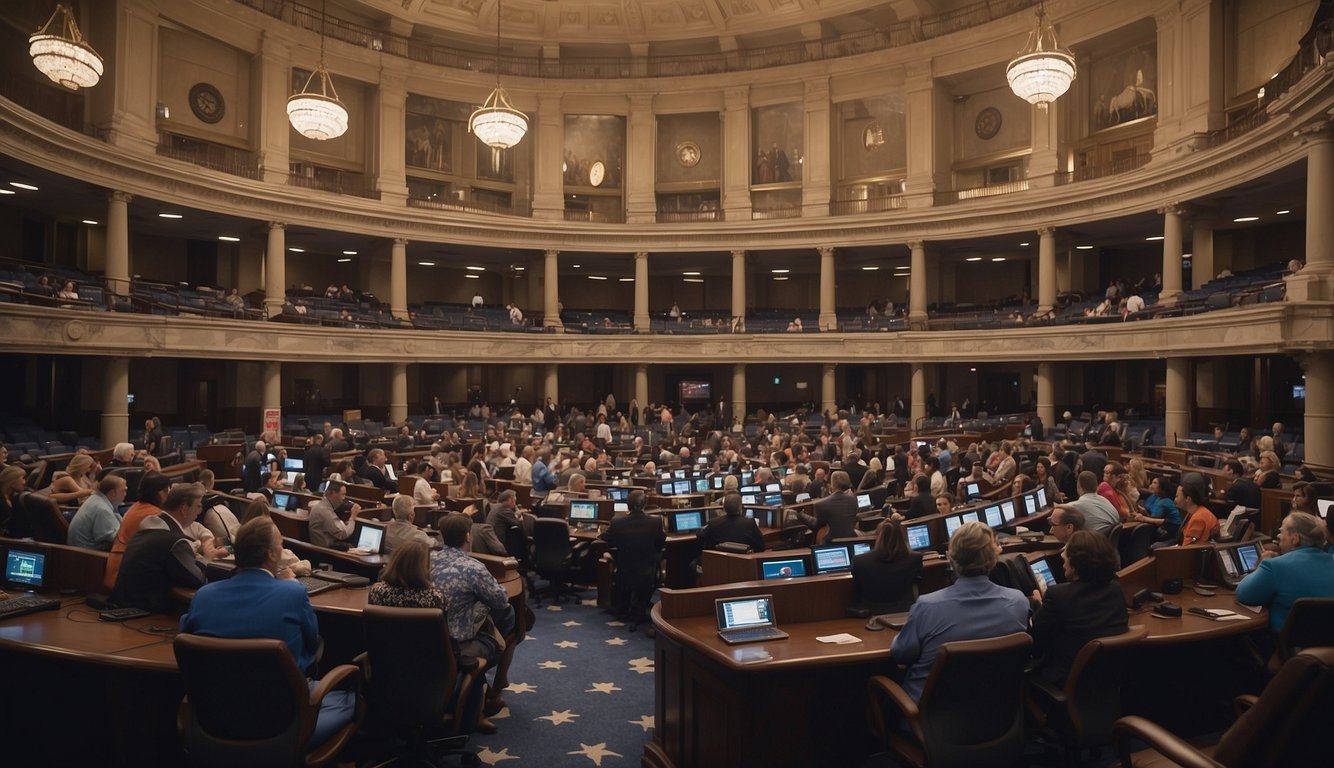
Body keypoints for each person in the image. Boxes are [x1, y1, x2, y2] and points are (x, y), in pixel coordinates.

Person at [179, 516, 357, 747]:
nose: (282, 549)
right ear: (271, 555)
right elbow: (312, 645)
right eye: (280, 545)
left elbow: (185, 643)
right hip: (283, 725)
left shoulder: (203, 596)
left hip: (213, 722)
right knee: (352, 698)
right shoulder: (292, 594)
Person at [889, 522, 1029, 701]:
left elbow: (901, 654)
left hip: (929, 716)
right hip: (997, 714)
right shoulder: (1018, 602)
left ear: (951, 558)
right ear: (994, 558)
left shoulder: (926, 606)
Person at [429, 513, 515, 720]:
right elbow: (501, 600)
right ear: (468, 536)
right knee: (507, 617)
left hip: (423, 640)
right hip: (457, 645)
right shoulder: (473, 568)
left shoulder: (425, 559)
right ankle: (489, 690)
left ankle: (477, 693)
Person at [1029, 531, 1129, 686]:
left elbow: (1037, 640)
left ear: (1076, 565)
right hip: (1109, 677)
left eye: (1065, 560)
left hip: (1066, 678)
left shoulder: (1057, 595)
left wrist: (1038, 606)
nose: (1063, 564)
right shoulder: (1115, 589)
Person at [111, 483, 207, 613]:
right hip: (147, 613)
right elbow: (197, 580)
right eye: (198, 506)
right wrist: (202, 561)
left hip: (123, 604)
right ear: (184, 508)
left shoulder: (147, 527)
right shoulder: (176, 541)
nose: (199, 512)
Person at [1236, 511, 1334, 632]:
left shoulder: (1274, 566)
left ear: (1295, 538)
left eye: (1282, 531)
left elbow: (1244, 594)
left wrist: (1261, 564)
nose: (1278, 536)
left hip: (1285, 645)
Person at [599, 489, 665, 630]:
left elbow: (605, 540)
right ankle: (641, 605)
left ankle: (623, 606)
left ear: (627, 505)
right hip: (647, 572)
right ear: (644, 505)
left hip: (624, 570)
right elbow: (660, 544)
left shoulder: (617, 522)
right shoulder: (656, 522)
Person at [104, 471, 174, 591]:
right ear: (159, 492)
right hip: (126, 575)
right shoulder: (153, 515)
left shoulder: (137, 507)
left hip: (119, 568)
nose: (169, 495)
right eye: (167, 490)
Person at [850, 518, 922, 615]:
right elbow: (918, 581)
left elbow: (857, 589)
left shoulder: (859, 561)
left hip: (869, 613)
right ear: (901, 536)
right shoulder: (915, 558)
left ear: (876, 537)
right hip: (905, 610)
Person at [795, 470, 859, 543]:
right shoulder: (854, 500)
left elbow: (816, 525)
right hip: (852, 540)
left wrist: (800, 514)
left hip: (831, 544)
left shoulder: (821, 504)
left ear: (832, 485)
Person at [67, 474, 128, 551]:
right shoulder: (102, 509)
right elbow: (118, 539)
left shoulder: (96, 498)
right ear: (113, 493)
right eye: (124, 491)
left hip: (81, 551)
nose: (125, 494)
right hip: (88, 556)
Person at [1055, 471, 1120, 537]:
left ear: (1079, 487)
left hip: (1092, 544)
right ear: (1096, 487)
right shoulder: (1106, 501)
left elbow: (1059, 510)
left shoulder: (1077, 505)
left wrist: (1055, 506)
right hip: (1107, 544)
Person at [696, 492, 765, 552]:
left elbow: (700, 535)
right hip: (742, 563)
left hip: (717, 562)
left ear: (724, 508)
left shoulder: (713, 523)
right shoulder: (749, 523)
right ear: (741, 507)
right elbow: (761, 546)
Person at [308, 480, 362, 548]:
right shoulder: (325, 511)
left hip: (322, 547)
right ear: (334, 493)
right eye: (343, 494)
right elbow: (343, 534)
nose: (344, 498)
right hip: (326, 551)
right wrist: (353, 517)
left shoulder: (321, 506)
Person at [1132, 476, 1182, 543]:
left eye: (1155, 483)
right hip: (1162, 528)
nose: (1151, 485)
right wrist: (1144, 512)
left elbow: (1155, 520)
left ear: (1162, 487)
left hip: (1171, 531)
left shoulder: (1165, 501)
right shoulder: (1156, 497)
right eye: (1152, 483)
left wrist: (1144, 516)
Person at [1177, 480, 1218, 545]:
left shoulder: (1197, 519)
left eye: (1177, 496)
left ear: (1188, 499)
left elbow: (1187, 548)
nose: (1175, 500)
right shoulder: (1201, 510)